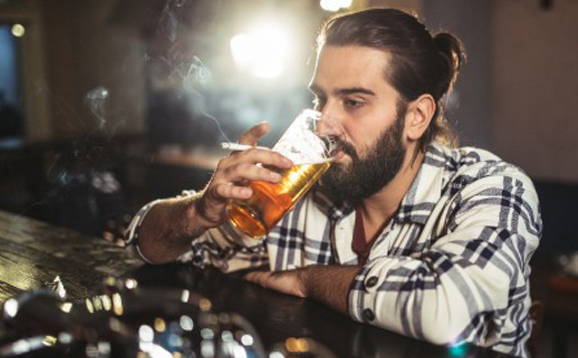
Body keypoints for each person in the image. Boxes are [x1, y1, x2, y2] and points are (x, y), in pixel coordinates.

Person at [126, 8, 541, 358]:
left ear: (417, 116)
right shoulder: (293, 189)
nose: (324, 123)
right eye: (319, 99)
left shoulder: (493, 188)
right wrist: (198, 212)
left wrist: (309, 280)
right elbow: (145, 249)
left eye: (354, 102)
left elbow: (445, 310)